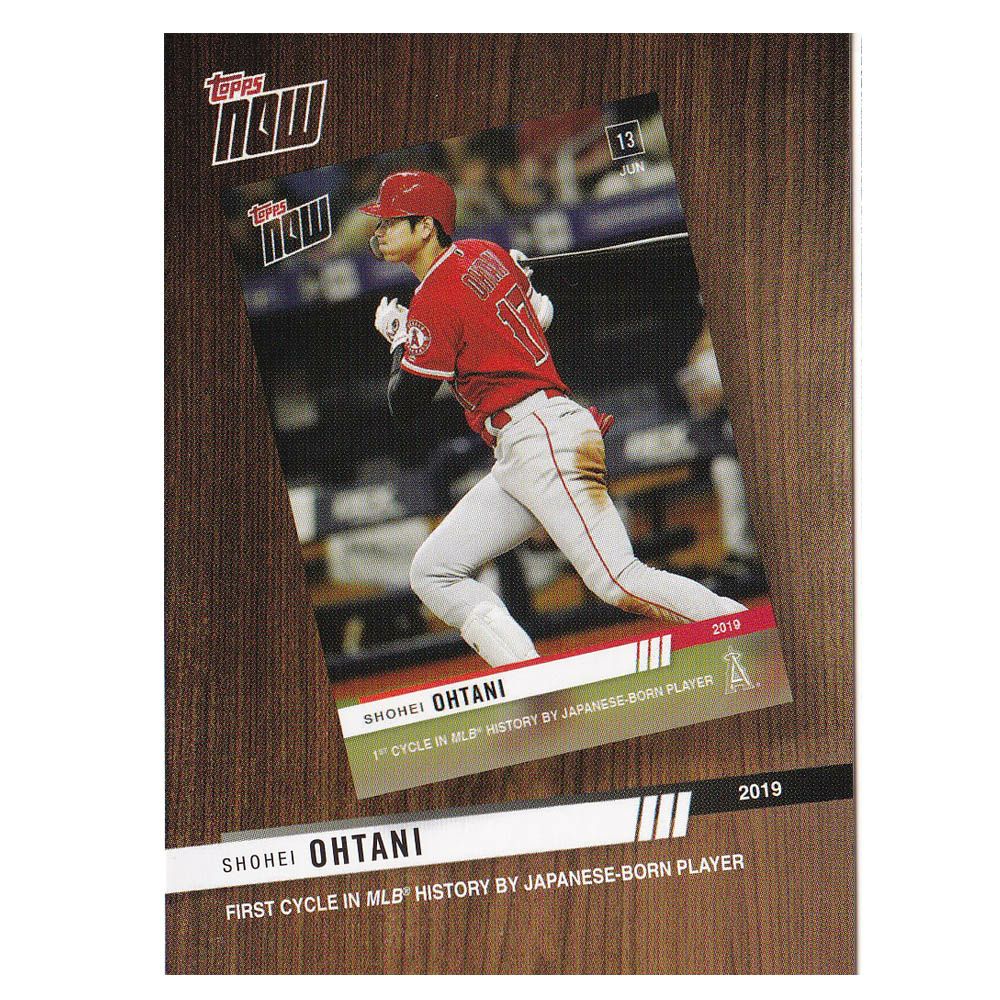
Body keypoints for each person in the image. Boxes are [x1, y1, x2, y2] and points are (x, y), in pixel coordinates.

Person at [361, 170, 745, 668]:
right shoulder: (486, 253)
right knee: (433, 571)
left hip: (539, 435)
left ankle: (739, 627)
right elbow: (538, 315)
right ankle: (526, 675)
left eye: (393, 221)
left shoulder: (435, 296)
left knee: (617, 579)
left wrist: (399, 341)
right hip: (523, 446)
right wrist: (511, 281)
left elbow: (406, 404)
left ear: (427, 227)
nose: (381, 231)